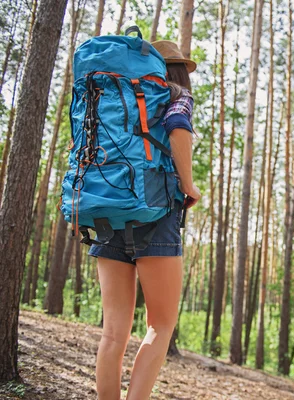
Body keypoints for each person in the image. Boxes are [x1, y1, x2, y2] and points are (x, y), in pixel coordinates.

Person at [90, 41, 200, 400]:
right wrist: (189, 185)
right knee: (161, 325)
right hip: (157, 211)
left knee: (112, 333)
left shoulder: (114, 91)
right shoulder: (175, 93)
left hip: (108, 206)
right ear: (178, 69)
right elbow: (178, 126)